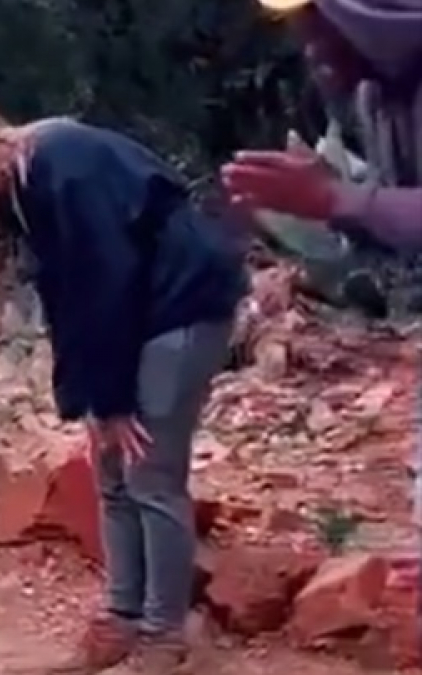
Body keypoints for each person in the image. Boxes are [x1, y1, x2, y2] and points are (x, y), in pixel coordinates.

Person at [0, 88, 248, 674]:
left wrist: (113, 400)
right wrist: (90, 402)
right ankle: (121, 619)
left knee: (152, 473)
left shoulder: (58, 166)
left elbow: (108, 283)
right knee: (111, 473)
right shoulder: (29, 182)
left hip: (182, 307)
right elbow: (70, 301)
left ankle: (165, 636)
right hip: (145, 313)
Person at [222, 0, 422, 608]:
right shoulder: (379, 100)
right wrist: (322, 202)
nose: (306, 42)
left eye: (316, 19)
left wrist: (341, 198)